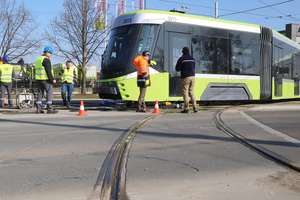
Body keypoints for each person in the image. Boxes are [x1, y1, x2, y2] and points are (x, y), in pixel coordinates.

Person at [35, 46, 58, 114]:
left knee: (40, 93)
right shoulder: (46, 59)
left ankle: (38, 109)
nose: (51, 54)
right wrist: (52, 79)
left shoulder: (38, 59)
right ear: (47, 52)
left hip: (38, 79)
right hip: (46, 79)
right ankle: (49, 108)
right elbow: (48, 71)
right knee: (49, 92)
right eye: (50, 53)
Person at [175, 47, 198, 113]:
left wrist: (182, 68)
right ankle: (195, 107)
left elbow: (177, 69)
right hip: (193, 77)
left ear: (183, 52)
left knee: (185, 92)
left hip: (185, 77)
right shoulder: (193, 59)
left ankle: (186, 108)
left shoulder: (181, 59)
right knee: (191, 92)